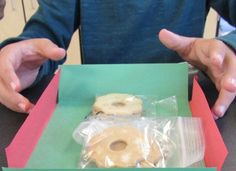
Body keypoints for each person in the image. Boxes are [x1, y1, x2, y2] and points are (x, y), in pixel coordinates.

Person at [0, 0, 235, 119]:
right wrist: (24, 54)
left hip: (181, 103)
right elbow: (48, 28)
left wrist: (229, 49)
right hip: (98, 106)